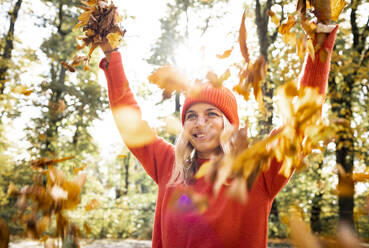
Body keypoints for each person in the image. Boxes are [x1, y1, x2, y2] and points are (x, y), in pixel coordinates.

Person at [99, 23, 338, 248]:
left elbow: (302, 119)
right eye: (191, 116)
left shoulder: (257, 170)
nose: (199, 123)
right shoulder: (169, 166)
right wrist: (112, 54)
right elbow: (130, 123)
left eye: (211, 114)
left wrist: (321, 39)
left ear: (228, 124)